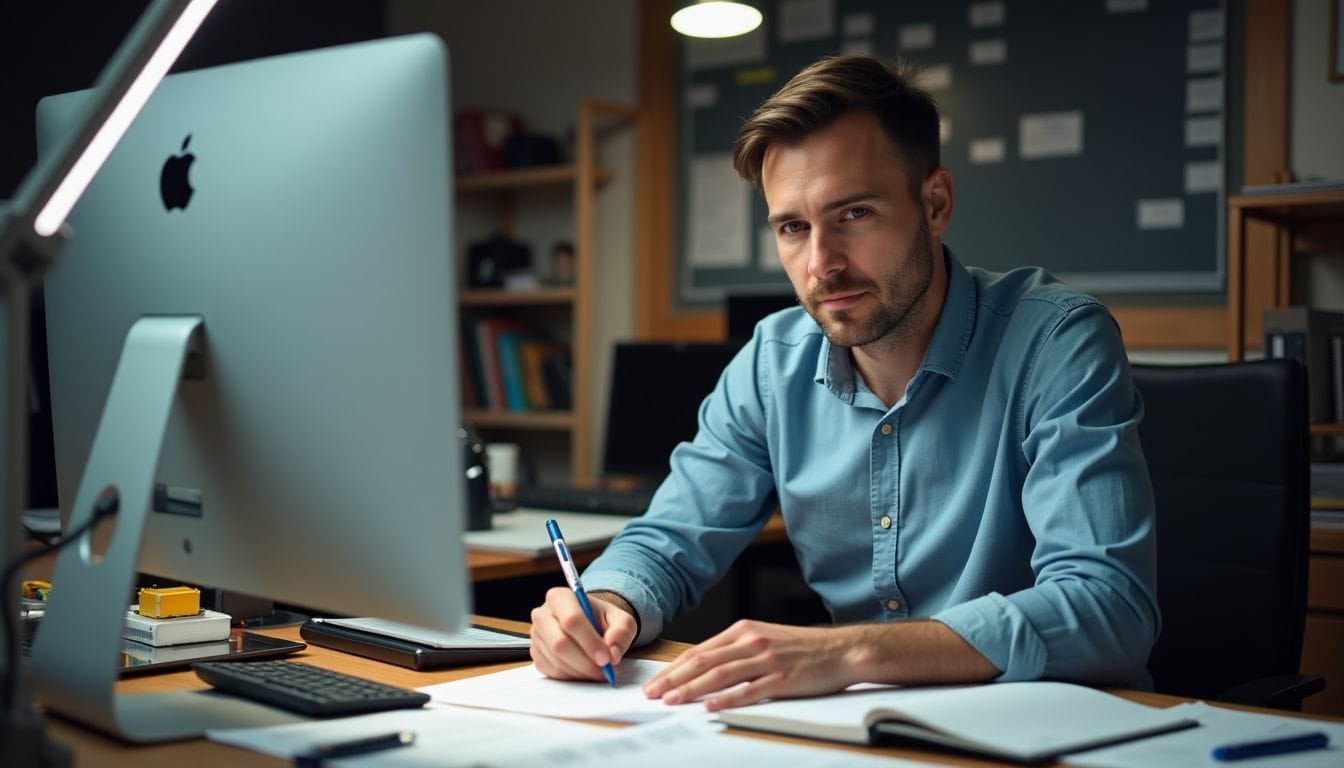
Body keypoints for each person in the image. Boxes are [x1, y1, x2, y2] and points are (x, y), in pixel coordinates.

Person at [528, 55, 1159, 711]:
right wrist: (605, 603)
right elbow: (670, 541)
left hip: (1053, 729)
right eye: (793, 228)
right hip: (862, 731)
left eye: (854, 214)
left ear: (935, 203)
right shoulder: (771, 362)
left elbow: (1108, 608)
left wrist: (849, 653)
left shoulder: (1055, 342)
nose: (821, 264)